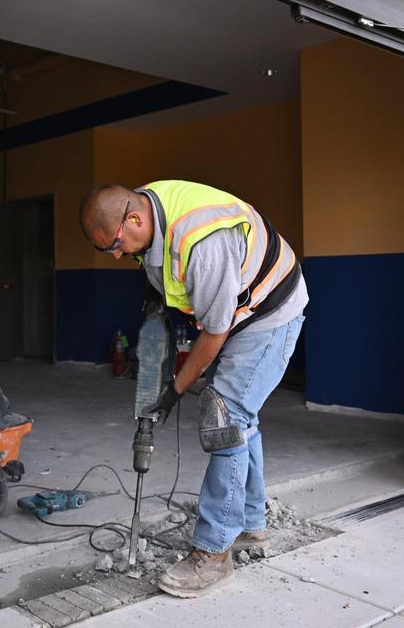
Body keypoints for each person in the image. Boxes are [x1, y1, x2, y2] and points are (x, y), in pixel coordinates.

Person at [79, 180, 307, 598]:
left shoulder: (203, 242)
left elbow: (215, 333)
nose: (115, 254)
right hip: (241, 306)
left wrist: (174, 390)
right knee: (243, 419)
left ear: (134, 218)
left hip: (271, 311)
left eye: (115, 244)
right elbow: (165, 275)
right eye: (104, 251)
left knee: (225, 415)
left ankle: (213, 554)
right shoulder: (150, 210)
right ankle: (250, 526)